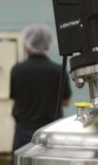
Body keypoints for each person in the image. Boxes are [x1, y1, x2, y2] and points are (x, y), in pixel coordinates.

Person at [9, 22, 71, 152]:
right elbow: (66, 101)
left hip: (24, 132)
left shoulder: (17, 70)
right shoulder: (58, 70)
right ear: (48, 44)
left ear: (27, 44)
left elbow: (15, 99)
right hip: (50, 132)